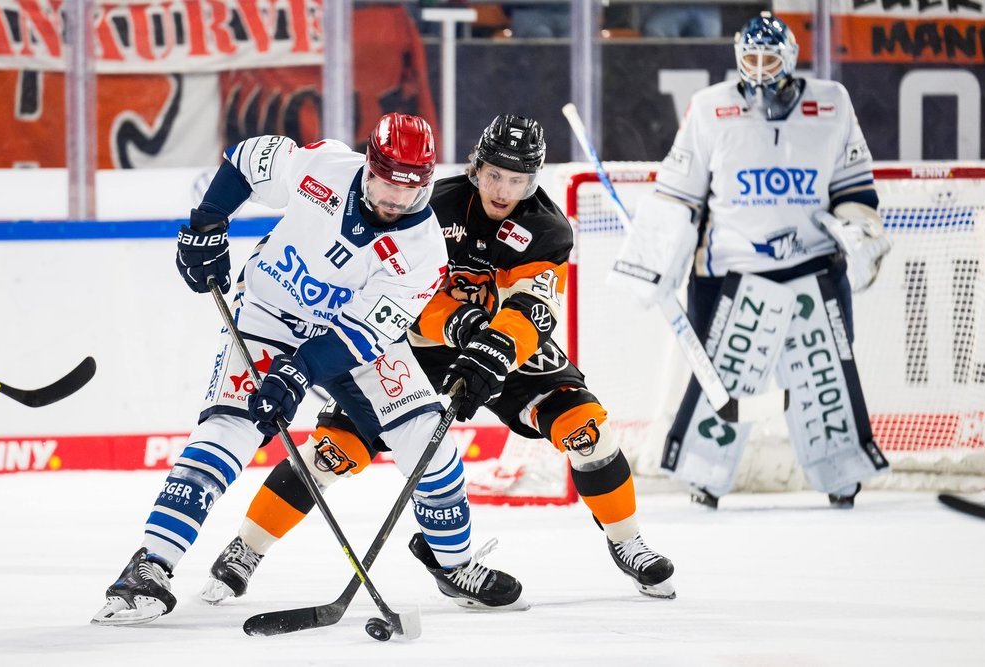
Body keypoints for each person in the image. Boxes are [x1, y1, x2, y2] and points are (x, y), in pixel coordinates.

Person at [199, 114, 676, 606]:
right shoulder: (428, 203)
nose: (503, 189)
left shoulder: (547, 229)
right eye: (494, 174)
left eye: (518, 180)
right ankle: (245, 549)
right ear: (476, 166)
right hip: (412, 345)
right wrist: (460, 323)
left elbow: (534, 308)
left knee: (586, 428)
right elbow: (405, 293)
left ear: (534, 179)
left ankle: (627, 541)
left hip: (497, 348)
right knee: (334, 452)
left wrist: (495, 349)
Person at [91, 112, 525, 626]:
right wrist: (208, 223)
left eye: (410, 190)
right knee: (228, 430)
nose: (395, 199)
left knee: (427, 437)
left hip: (349, 340)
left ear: (426, 182)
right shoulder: (323, 166)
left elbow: (362, 337)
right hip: (266, 317)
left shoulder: (423, 251)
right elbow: (246, 161)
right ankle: (150, 565)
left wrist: (298, 373)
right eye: (386, 183)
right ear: (369, 164)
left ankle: (454, 565)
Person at [609, 12, 892, 509]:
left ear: (790, 58)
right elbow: (679, 194)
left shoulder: (831, 103)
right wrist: (654, 256)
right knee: (723, 383)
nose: (759, 69)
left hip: (814, 270)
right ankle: (705, 475)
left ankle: (841, 474)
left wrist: (859, 230)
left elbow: (854, 187)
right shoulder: (709, 107)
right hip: (729, 275)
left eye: (769, 58)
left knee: (822, 380)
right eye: (750, 58)